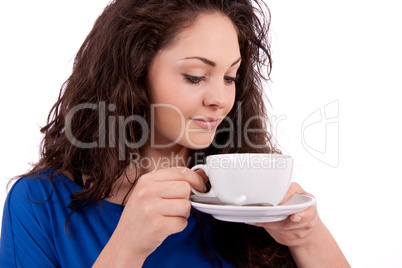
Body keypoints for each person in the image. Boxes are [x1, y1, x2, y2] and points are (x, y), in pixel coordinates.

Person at [0, 0, 350, 267]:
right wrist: (127, 247)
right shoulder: (39, 203)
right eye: (195, 76)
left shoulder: (246, 202)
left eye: (230, 77)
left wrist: (308, 237)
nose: (220, 99)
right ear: (135, 73)